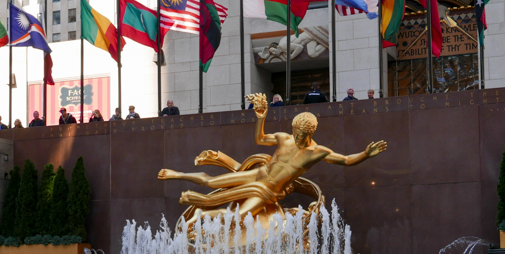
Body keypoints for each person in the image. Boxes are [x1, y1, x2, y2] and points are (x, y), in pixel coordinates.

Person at [158, 93, 387, 226]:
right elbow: (260, 137)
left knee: (238, 218)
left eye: (299, 133)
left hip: (267, 191)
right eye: (294, 130)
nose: (295, 135)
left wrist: (365, 154)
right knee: (211, 182)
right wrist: (261, 117)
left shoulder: (318, 152)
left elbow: (346, 160)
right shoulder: (284, 138)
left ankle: (202, 214)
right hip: (258, 174)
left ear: (309, 133)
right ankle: (177, 174)